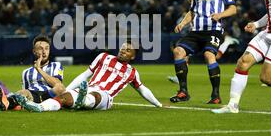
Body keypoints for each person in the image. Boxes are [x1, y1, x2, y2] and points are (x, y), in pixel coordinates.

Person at [13, 41, 163, 112]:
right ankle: (39, 107)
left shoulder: (132, 72)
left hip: (105, 96)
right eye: (123, 48)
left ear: (133, 56)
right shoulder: (103, 57)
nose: (123, 51)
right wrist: (67, 90)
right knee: (64, 98)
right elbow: (85, 75)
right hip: (89, 88)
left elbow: (143, 90)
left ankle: (82, 100)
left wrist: (158, 104)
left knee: (96, 95)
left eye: (128, 50)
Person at [170, 0, 237, 104]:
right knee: (178, 52)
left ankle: (216, 95)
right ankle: (183, 92)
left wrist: (220, 14)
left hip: (213, 30)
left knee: (209, 55)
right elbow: (192, 11)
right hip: (196, 31)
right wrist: (183, 23)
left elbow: (233, 9)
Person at [0, 35, 65, 111]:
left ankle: (8, 101)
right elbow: (25, 91)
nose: (44, 52)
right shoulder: (26, 72)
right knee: (22, 93)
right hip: (33, 96)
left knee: (60, 87)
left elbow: (57, 84)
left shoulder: (56, 65)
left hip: (49, 94)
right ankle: (6, 102)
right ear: (34, 51)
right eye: (40, 49)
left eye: (47, 48)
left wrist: (39, 69)